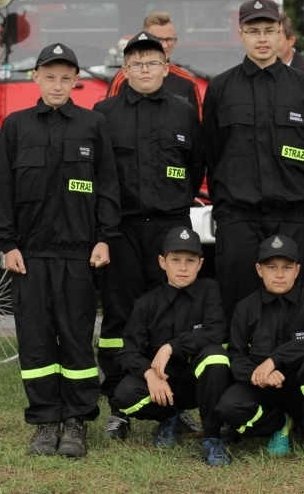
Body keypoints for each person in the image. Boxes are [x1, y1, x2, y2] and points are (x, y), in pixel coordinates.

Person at [0, 43, 121, 458]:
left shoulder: (93, 125)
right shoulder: (15, 126)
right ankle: (45, 420)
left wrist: (104, 237)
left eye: (66, 77)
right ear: (36, 78)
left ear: (76, 79)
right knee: (36, 341)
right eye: (50, 76)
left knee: (78, 340)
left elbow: (107, 187)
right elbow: (3, 190)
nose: (58, 85)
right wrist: (6, 243)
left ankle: (76, 421)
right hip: (29, 257)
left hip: (78, 255)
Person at [93, 31, 204, 439]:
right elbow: (99, 175)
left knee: (175, 314)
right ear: (125, 69)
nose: (145, 69)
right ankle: (119, 407)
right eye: (136, 62)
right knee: (119, 319)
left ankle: (174, 406)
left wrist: (173, 202)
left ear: (165, 67)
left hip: (171, 228)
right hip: (122, 230)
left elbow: (195, 166)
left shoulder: (183, 111)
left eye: (152, 62)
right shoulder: (103, 113)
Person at [203, 0, 304, 323]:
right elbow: (212, 153)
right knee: (239, 309)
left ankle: (297, 369)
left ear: (280, 35)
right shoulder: (220, 88)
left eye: (269, 30)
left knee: (298, 312)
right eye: (253, 31)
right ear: (240, 34)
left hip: (295, 216)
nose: (262, 38)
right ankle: (242, 372)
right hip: (238, 219)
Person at [216, 235, 304, 467]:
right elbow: (236, 354)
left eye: (287, 267)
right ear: (259, 269)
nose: (280, 274)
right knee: (229, 409)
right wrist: (258, 374)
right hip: (263, 388)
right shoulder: (245, 308)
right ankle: (279, 424)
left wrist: (274, 360)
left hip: (301, 388)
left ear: (298, 270)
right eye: (272, 267)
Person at [114, 227, 232, 465]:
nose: (183, 267)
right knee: (124, 395)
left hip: (197, 384)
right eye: (175, 260)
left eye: (190, 261)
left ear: (200, 264)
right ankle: (170, 418)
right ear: (162, 262)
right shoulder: (146, 303)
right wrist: (149, 373)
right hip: (161, 385)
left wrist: (170, 347)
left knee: (216, 356)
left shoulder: (209, 290)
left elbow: (216, 331)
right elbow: (128, 351)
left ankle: (212, 438)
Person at [107, 12, 202, 116]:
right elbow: (109, 118)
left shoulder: (187, 82)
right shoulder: (123, 78)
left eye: (169, 39)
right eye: (158, 39)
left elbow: (197, 126)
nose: (165, 45)